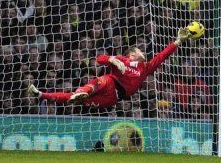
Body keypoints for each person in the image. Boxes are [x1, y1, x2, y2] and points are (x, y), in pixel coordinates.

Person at [26, 27, 193, 108]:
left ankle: (51, 95)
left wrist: (177, 41)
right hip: (110, 82)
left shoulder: (145, 68)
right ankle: (46, 94)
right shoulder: (123, 59)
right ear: (132, 54)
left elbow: (161, 56)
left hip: (114, 98)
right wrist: (112, 59)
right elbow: (99, 59)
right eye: (139, 50)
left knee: (78, 100)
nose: (143, 52)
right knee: (85, 90)